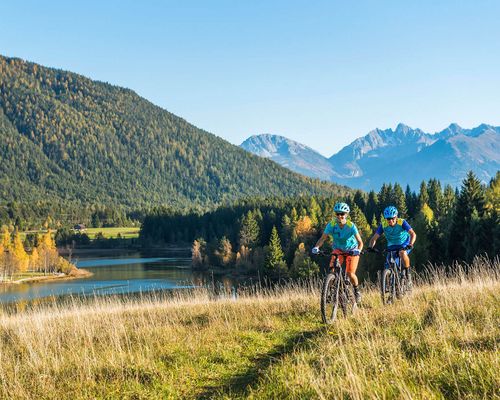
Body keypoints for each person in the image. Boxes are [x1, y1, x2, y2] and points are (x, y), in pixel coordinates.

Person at [312, 202, 363, 303]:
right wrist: (316, 247)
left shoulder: (351, 226)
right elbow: (322, 238)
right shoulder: (331, 225)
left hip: (352, 250)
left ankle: (356, 291)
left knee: (350, 273)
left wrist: (358, 250)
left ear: (346, 215)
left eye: (342, 214)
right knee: (332, 269)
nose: (340, 216)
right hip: (338, 249)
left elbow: (360, 242)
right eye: (337, 214)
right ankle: (330, 292)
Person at [368, 205, 417, 284]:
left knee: (402, 253)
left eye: (392, 218)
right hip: (392, 245)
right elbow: (374, 238)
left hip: (404, 243)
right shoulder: (383, 225)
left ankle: (408, 273)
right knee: (388, 266)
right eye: (388, 219)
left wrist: (410, 244)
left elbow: (413, 234)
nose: (390, 220)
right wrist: (370, 247)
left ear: (396, 217)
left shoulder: (402, 222)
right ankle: (392, 287)